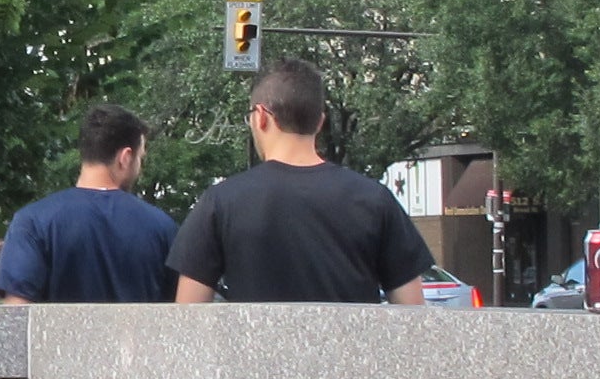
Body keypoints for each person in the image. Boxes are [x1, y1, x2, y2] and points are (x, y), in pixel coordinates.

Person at [168, 58, 434, 303]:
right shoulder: (375, 199)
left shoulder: (220, 202)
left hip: (255, 355)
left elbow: (189, 318)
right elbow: (411, 314)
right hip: (351, 355)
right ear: (319, 122)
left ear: (261, 117)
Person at [0, 106, 179, 303]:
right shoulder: (163, 226)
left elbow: (16, 312)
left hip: (55, 335)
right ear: (125, 158)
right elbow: (179, 312)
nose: (140, 168)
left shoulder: (32, 221)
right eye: (140, 158)